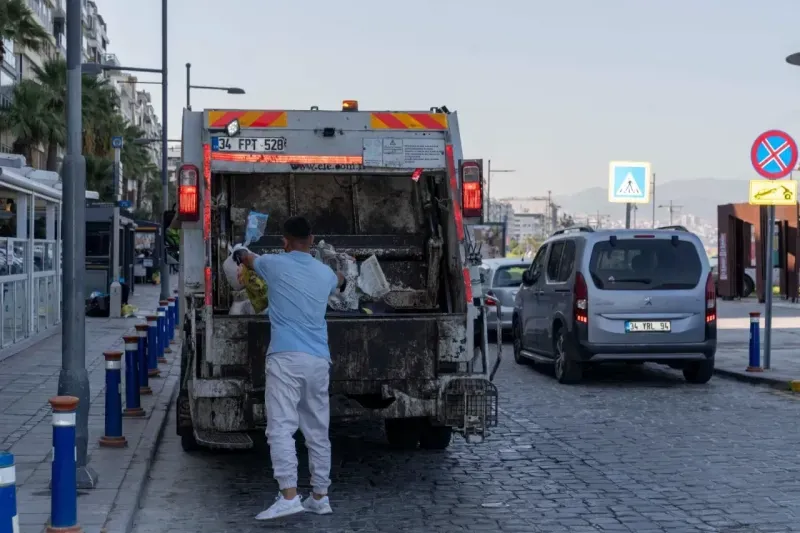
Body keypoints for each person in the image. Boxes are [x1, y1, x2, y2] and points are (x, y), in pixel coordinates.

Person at [233, 216, 346, 521]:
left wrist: (239, 250)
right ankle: (320, 496)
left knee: (281, 428)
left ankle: (289, 496)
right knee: (317, 430)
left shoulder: (274, 264)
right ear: (312, 240)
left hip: (285, 358)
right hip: (318, 360)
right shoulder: (324, 273)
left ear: (284, 241)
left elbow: (246, 259)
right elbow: (341, 280)